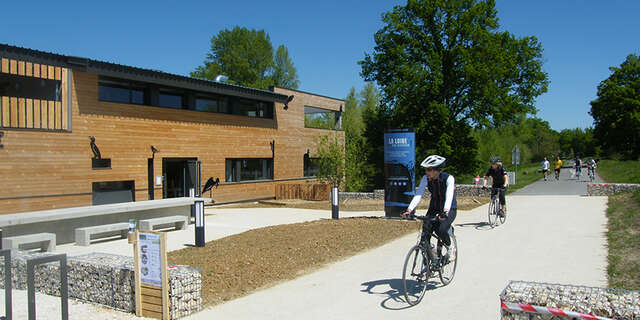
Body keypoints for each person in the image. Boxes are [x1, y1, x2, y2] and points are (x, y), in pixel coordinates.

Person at [401, 155, 456, 260]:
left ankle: (450, 247)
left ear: (437, 170)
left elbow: (449, 196)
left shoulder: (448, 178)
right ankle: (431, 254)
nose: (427, 172)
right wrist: (409, 210)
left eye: (429, 169)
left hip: (449, 208)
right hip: (434, 207)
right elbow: (419, 194)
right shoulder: (426, 178)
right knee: (425, 233)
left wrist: (445, 212)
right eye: (426, 169)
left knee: (441, 229)